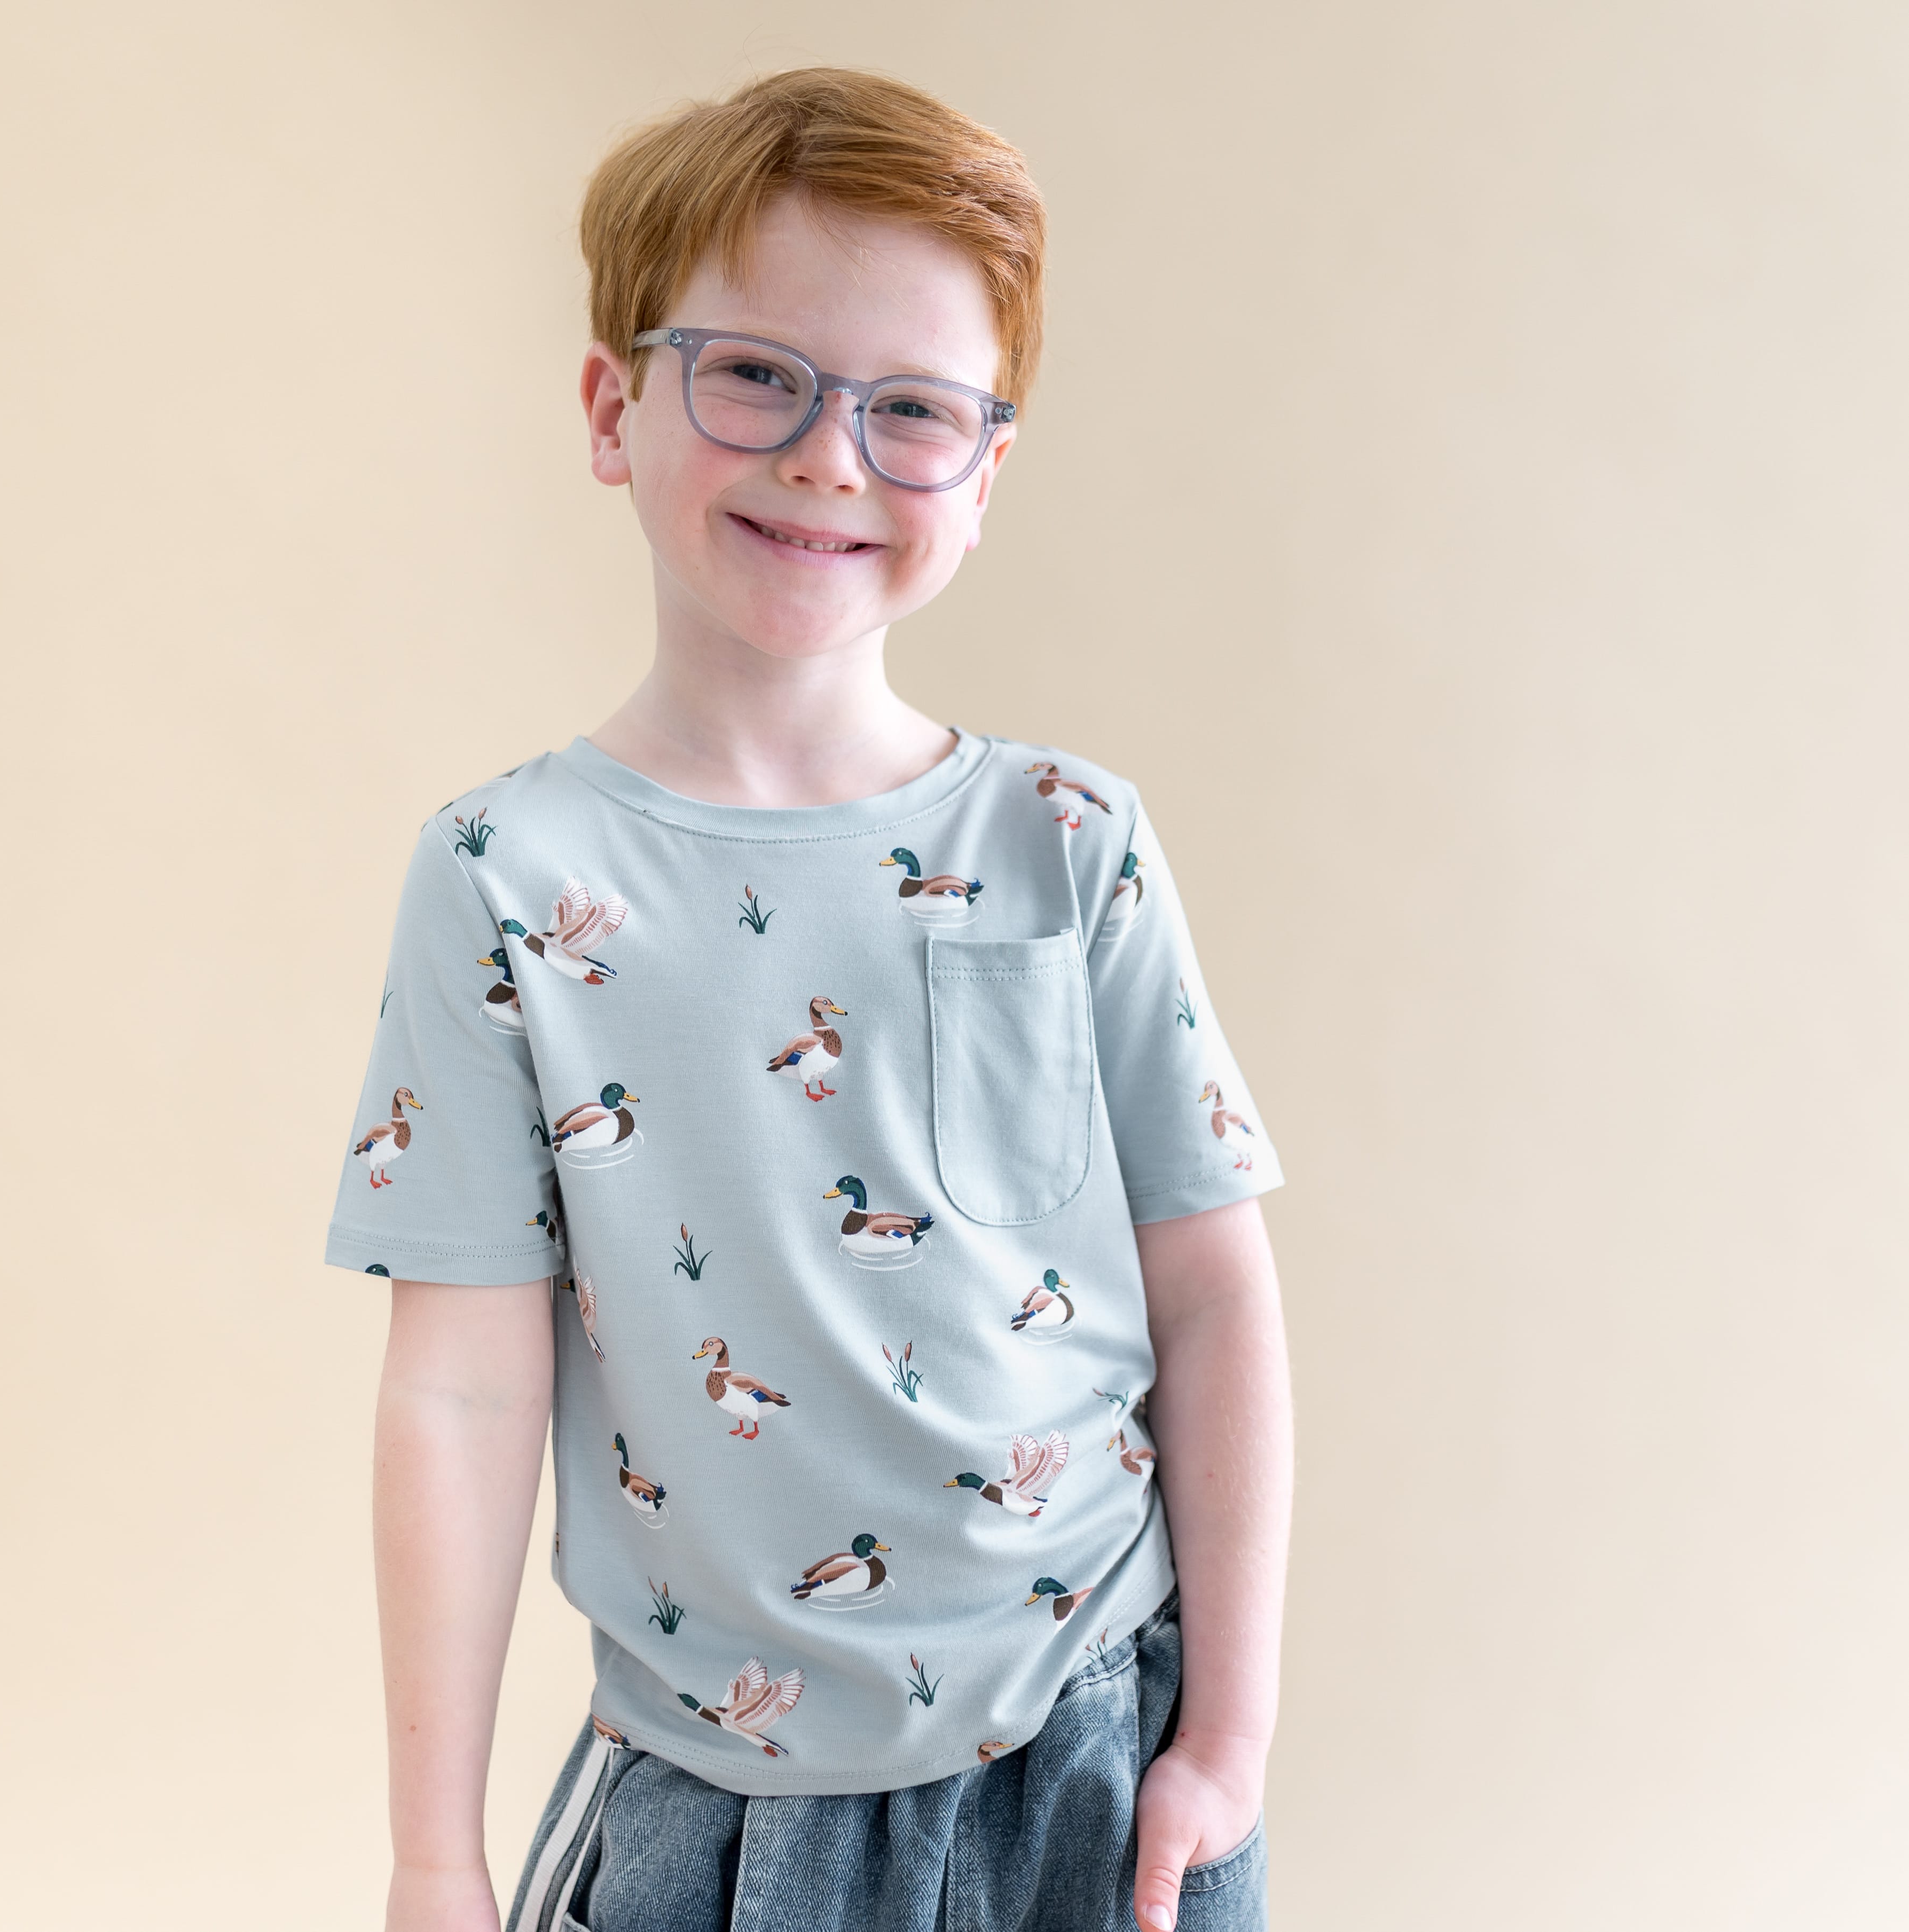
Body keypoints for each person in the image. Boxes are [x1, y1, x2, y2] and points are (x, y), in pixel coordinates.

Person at [327, 66, 1292, 1932]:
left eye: (910, 409)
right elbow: (457, 1383)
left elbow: (1212, 1288)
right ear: (615, 406)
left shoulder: (1068, 838)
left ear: (986, 470)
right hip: (718, 1801)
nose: (829, 457)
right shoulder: (499, 878)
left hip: (1091, 1764)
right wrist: (430, 1853)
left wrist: (1227, 1736)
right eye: (753, 373)